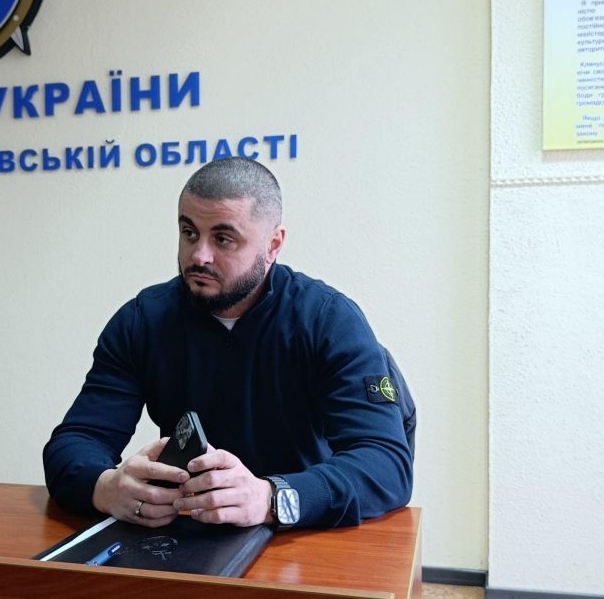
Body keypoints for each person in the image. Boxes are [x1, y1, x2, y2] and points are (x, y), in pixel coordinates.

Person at [43, 157, 412, 530]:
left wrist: (270, 498)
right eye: (189, 233)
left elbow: (386, 463)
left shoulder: (328, 321)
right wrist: (106, 487)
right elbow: (77, 441)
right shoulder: (143, 322)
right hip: (185, 533)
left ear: (273, 245)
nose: (199, 256)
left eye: (223, 239)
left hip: (303, 534)